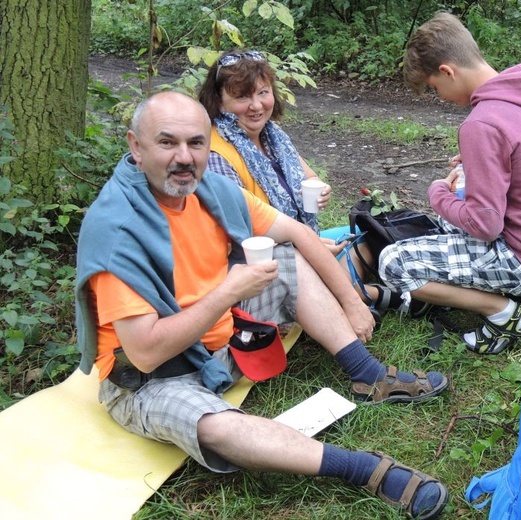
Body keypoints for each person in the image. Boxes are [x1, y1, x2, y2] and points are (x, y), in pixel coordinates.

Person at [73, 91, 450, 519]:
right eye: (167, 142)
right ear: (136, 147)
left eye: (196, 143)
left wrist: (352, 300)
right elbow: (145, 353)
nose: (184, 157)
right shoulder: (118, 230)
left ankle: (369, 375)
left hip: (224, 335)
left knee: (285, 258)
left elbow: (296, 234)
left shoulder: (212, 191)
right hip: (154, 378)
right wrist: (230, 292)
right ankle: (361, 468)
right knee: (213, 425)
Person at [377, 12, 521, 355]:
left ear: (447, 71)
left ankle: (502, 312)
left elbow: (484, 225)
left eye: (434, 88)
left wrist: (438, 191)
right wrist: (477, 164)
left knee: (392, 263)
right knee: (442, 224)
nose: (440, 97)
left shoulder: (482, 124)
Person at [197, 49, 427, 318]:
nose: (257, 105)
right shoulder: (217, 154)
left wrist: (320, 189)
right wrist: (308, 245)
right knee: (343, 253)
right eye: (242, 96)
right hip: (268, 257)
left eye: (262, 92)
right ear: (219, 101)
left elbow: (310, 177)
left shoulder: (273, 137)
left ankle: (350, 291)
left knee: (369, 233)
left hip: (301, 239)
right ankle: (365, 295)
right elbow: (243, 237)